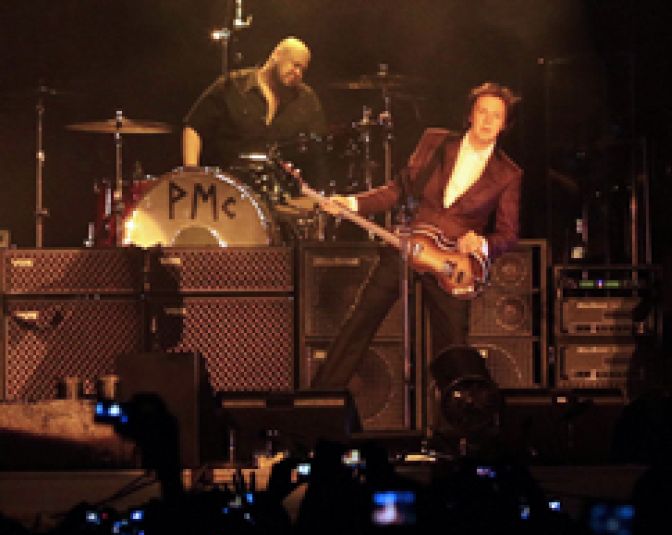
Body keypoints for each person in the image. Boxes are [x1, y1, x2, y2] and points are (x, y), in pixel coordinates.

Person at [309, 82, 522, 390]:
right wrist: (352, 203)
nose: (488, 121)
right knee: (361, 321)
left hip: (451, 265)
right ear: (470, 115)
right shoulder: (435, 142)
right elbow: (398, 190)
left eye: (496, 116)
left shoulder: (508, 173)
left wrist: (483, 243)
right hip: (408, 246)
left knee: (453, 349)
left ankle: (456, 422)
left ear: (505, 124)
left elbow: (508, 233)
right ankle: (321, 401)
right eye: (482, 112)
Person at [182, 36, 328, 168]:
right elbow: (195, 127)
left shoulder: (305, 99)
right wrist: (191, 174)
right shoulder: (232, 85)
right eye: (295, 65)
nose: (298, 73)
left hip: (279, 191)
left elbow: (320, 147)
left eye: (303, 70)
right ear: (277, 55)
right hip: (229, 188)